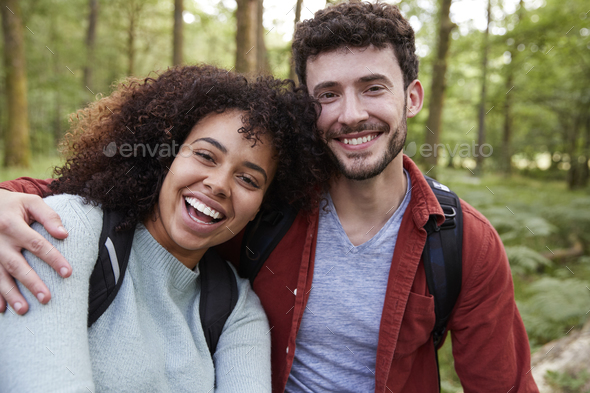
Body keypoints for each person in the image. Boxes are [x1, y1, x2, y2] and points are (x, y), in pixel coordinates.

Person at [0, 2, 539, 392]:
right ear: (309, 109)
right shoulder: (267, 210)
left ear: (412, 96)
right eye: (328, 94)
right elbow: (97, 197)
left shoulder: (461, 243)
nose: (351, 113)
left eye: (373, 87)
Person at [0, 64, 331, 392]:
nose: (219, 184)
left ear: (263, 204)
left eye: (248, 179)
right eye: (205, 155)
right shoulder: (67, 227)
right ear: (166, 156)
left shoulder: (237, 310)